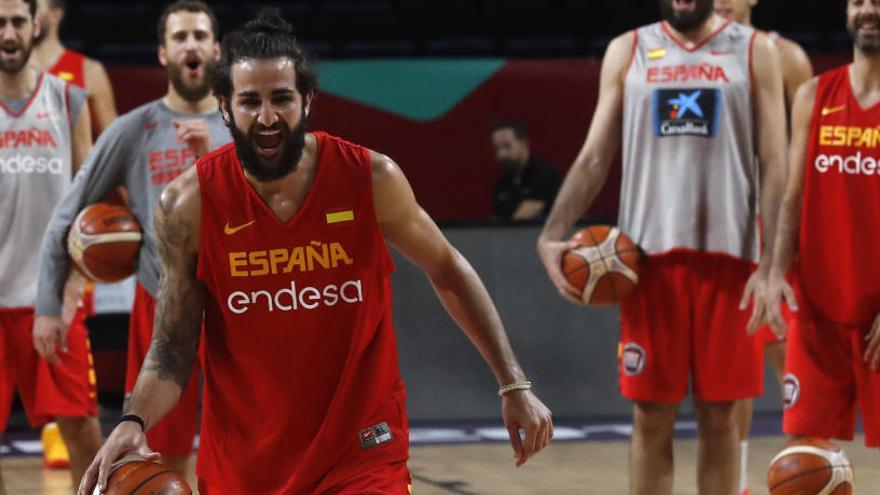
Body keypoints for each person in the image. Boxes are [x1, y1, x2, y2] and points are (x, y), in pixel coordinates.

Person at [79, 9, 553, 495]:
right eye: (250, 101)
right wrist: (133, 419)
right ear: (224, 106)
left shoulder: (370, 178)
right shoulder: (187, 204)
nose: (267, 117)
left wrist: (513, 383)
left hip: (362, 450)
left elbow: (450, 270)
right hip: (244, 463)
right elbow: (173, 349)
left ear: (307, 100)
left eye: (282, 99)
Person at [537, 0, 787, 493]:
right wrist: (551, 232)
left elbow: (777, 166)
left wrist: (774, 266)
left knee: (721, 418)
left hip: (732, 261)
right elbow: (593, 158)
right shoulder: (628, 49)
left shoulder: (756, 51)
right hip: (646, 264)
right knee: (651, 417)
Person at [33, 0, 228, 479]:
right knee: (161, 452)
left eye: (199, 35)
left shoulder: (243, 129)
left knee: (246, 443)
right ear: (163, 53)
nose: (191, 45)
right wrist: (47, 304)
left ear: (216, 50)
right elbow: (65, 216)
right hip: (161, 303)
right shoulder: (133, 130)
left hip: (236, 303)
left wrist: (209, 162)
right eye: (180, 37)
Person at [756, 0, 880, 465]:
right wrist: (774, 273)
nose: (867, 11)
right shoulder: (814, 94)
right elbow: (793, 197)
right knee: (805, 456)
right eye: (858, 2)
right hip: (818, 306)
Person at [713, 1, 814, 493]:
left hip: (776, 226)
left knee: (790, 355)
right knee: (733, 372)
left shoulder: (787, 56)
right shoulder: (691, 57)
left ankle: (814, 472)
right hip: (723, 232)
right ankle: (736, 485)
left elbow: (810, 149)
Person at [0, 0, 99, 491]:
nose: (9, 32)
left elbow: (89, 209)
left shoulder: (69, 100)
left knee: (82, 429)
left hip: (50, 299)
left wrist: (69, 292)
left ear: (35, 24)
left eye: (17, 21)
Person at [30, 0, 119, 470]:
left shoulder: (86, 73)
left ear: (54, 12)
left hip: (62, 256)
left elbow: (108, 161)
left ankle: (68, 446)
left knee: (68, 387)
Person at [31, 0, 116, 135]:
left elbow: (112, 141)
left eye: (33, 6)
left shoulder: (90, 71)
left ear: (55, 15)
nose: (25, 12)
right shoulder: (7, 70)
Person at [491, 120, 562, 221]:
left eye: (507, 146)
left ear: (524, 143)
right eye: (497, 148)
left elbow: (524, 216)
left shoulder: (544, 175)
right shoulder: (502, 184)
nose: (501, 154)